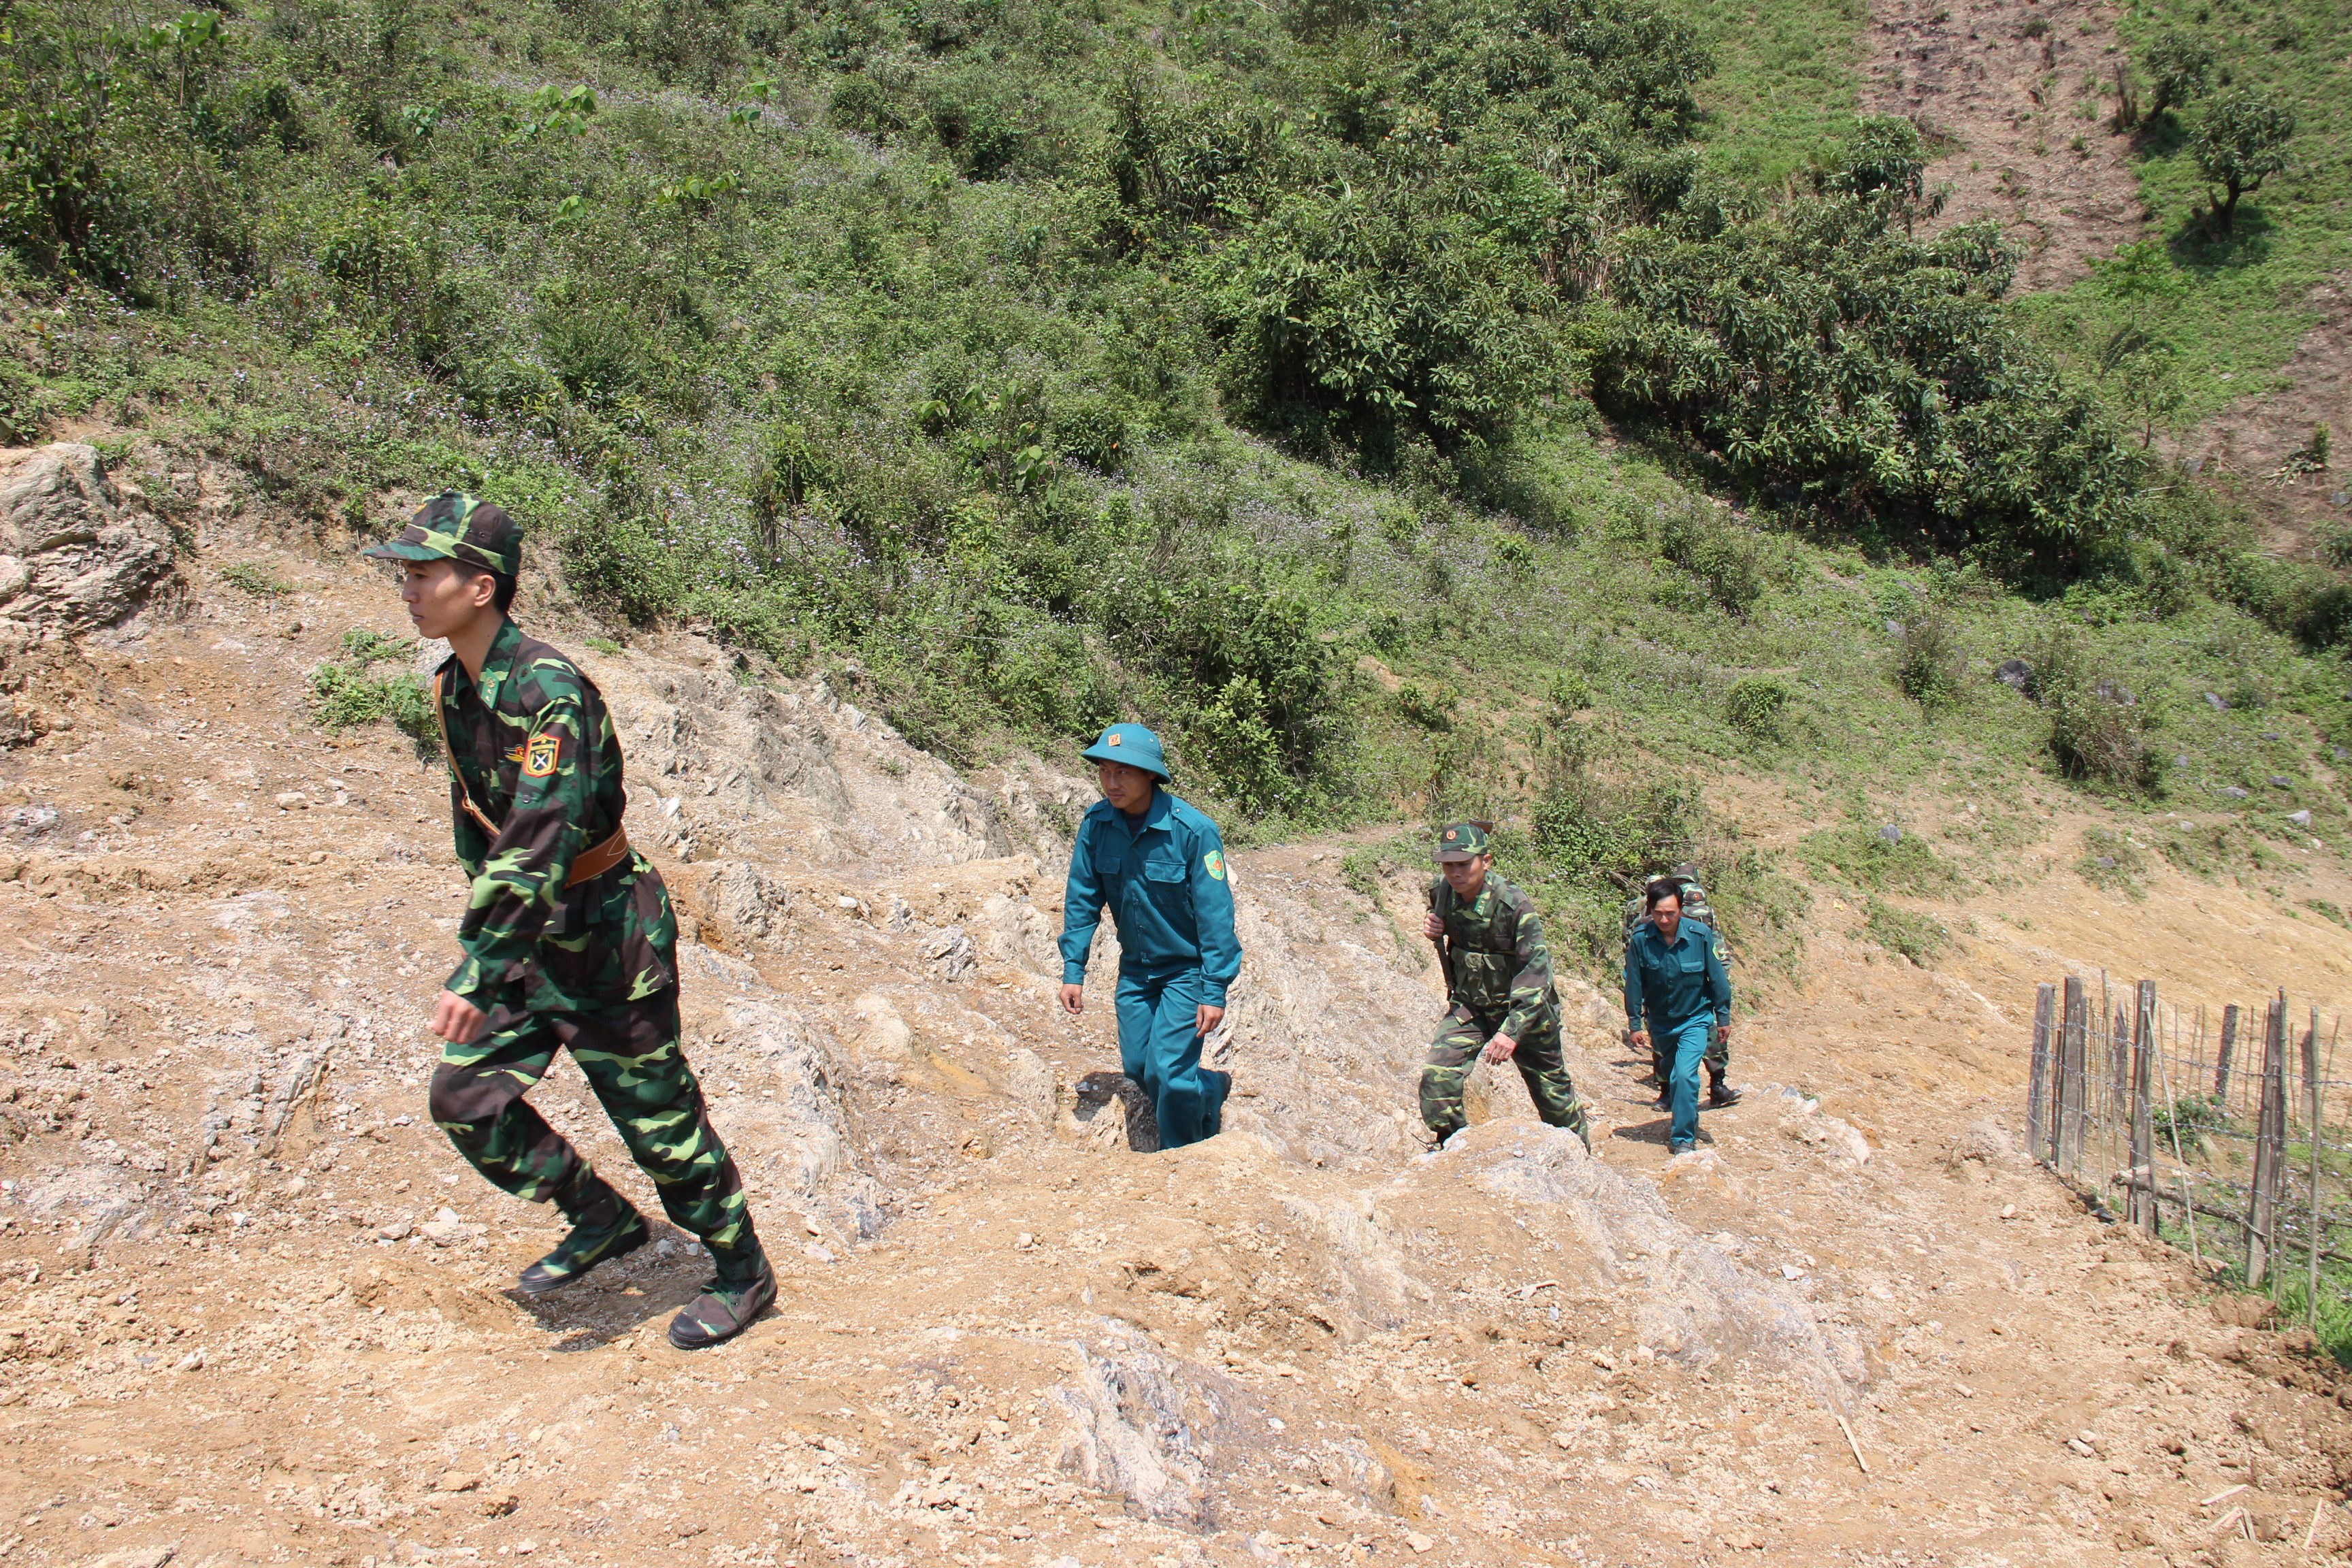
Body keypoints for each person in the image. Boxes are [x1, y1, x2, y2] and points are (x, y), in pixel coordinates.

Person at [365, 493, 773, 1350]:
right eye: (403, 572)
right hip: (532, 944)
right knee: (466, 1096)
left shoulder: (553, 695)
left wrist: (478, 966)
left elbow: (540, 839)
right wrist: (496, 950)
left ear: (481, 588)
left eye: (424, 572)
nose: (407, 586)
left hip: (608, 941)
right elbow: (479, 830)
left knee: (661, 1129)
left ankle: (744, 1272)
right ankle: (599, 1217)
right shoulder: (454, 688)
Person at [1057, 723, 1241, 1149]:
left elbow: (1216, 917)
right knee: (1140, 1068)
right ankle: (1210, 1090)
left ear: (1150, 776)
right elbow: (1082, 899)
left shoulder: (1193, 832)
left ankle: (1180, 1158)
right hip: (1137, 971)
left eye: (1123, 773)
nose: (1111, 783)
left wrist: (1214, 989)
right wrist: (1073, 969)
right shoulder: (1097, 825)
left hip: (1186, 972)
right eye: (1104, 772)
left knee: (1169, 1074)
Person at [1416, 821, 1591, 1150]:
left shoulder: (1513, 905)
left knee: (1553, 1097)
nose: (1455, 873)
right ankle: (1455, 1148)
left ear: (1486, 861)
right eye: (1448, 865)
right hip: (1472, 1008)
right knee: (1437, 1078)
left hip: (1525, 1016)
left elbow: (1535, 972)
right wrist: (1434, 929)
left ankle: (1579, 1158)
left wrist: (1512, 1031)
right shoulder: (1441, 894)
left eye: (1464, 864)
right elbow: (1453, 937)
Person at [1624, 879, 1734, 1158]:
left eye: (1670, 913)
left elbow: (1717, 978)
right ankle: (1689, 1120)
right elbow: (1635, 984)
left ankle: (1683, 1139)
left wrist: (1723, 1016)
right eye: (1658, 913)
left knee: (1685, 1076)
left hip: (1695, 1018)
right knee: (1674, 1077)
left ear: (1681, 909)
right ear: (1650, 910)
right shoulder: (1640, 940)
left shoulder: (1700, 936)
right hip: (1661, 1023)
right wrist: (1634, 1024)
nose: (1664, 919)